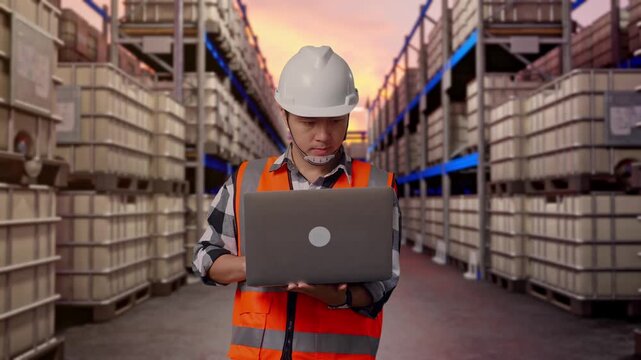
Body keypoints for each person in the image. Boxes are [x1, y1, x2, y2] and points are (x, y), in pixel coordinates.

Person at [193, 45, 401, 360]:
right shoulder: (247, 180)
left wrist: (337, 296)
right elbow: (206, 258)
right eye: (308, 122)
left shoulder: (377, 186)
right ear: (285, 115)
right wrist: (260, 266)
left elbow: (383, 282)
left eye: (335, 121)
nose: (323, 136)